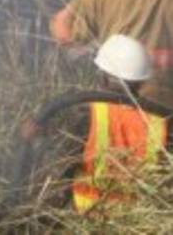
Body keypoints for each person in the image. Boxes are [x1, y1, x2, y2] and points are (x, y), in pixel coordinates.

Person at [71, 34, 168, 214]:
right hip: (139, 218)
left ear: (103, 76)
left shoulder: (87, 114)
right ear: (141, 82)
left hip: (86, 214)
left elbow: (62, 169)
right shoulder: (160, 123)